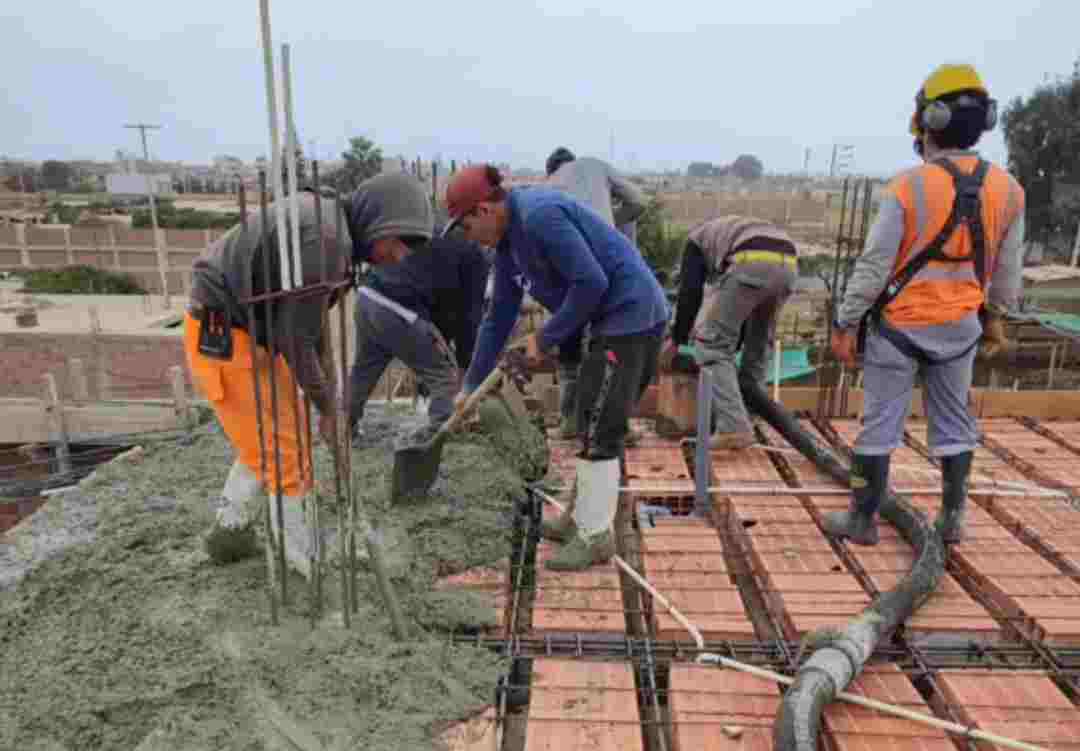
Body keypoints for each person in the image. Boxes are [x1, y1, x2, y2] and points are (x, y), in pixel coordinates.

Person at [186, 173, 434, 579]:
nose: (401, 256)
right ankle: (305, 568)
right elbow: (296, 339)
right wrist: (328, 407)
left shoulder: (333, 233)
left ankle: (230, 532)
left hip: (256, 330)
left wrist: (330, 399)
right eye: (399, 241)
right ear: (377, 221)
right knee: (282, 449)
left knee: (281, 433)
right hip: (225, 334)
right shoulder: (326, 241)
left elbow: (312, 327)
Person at [826, 63, 1024, 546]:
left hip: (898, 329)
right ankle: (952, 519)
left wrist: (846, 322)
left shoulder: (907, 186)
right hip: (960, 329)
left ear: (929, 120)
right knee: (955, 423)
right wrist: (995, 317)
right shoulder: (1009, 190)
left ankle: (862, 521)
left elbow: (874, 265)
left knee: (879, 426)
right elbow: (1006, 273)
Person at [443, 165, 669, 571]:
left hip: (631, 315)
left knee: (600, 424)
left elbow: (592, 283)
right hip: (607, 321)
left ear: (483, 210)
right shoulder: (508, 246)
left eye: (466, 227)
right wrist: (470, 386)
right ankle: (579, 517)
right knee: (587, 418)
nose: (469, 238)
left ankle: (595, 536)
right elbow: (498, 317)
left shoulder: (539, 216)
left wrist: (543, 339)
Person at [347, 213, 490, 441]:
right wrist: (465, 366)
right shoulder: (476, 254)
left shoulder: (436, 229)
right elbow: (468, 318)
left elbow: (442, 306)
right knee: (446, 375)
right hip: (398, 308)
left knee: (363, 372)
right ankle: (442, 437)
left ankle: (342, 428)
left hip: (367, 298)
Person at [660, 217, 799, 448]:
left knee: (711, 346)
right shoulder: (725, 236)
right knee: (757, 346)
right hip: (788, 266)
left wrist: (676, 340)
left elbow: (690, 293)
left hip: (752, 263)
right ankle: (749, 413)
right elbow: (738, 316)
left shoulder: (694, 243)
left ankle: (734, 426)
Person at [545, 147, 649, 439]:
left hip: (569, 269)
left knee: (570, 345)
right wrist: (609, 222)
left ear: (551, 170)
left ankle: (570, 422)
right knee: (610, 347)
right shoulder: (595, 166)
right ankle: (615, 425)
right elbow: (639, 201)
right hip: (609, 266)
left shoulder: (547, 188)